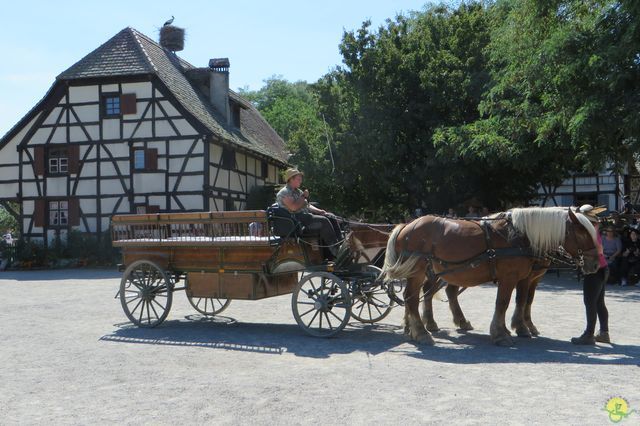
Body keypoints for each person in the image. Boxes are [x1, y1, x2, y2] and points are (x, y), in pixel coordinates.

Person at [276, 168, 341, 258]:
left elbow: (307, 205)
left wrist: (319, 211)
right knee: (323, 221)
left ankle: (340, 244)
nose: (301, 181)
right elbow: (294, 207)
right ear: (291, 179)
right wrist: (303, 196)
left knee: (330, 216)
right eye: (298, 179)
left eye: (301, 179)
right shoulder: (284, 192)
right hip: (297, 222)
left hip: (305, 218)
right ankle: (335, 250)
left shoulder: (298, 191)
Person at [571, 204, 611, 345]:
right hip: (603, 268)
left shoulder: (591, 232)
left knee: (590, 303)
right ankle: (604, 333)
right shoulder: (595, 230)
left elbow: (599, 250)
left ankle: (589, 334)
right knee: (599, 302)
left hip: (594, 270)